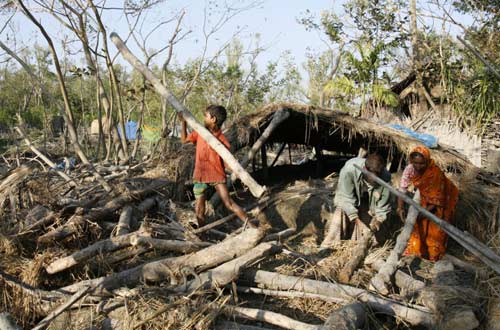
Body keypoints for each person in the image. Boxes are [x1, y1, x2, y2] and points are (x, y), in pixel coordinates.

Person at [179, 105, 249, 228]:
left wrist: (236, 170)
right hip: (200, 176)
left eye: (206, 116)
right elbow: (184, 140)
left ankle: (251, 226)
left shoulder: (221, 139)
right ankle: (202, 233)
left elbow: (227, 158)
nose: (204, 119)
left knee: (229, 203)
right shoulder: (200, 132)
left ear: (213, 119)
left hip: (216, 176)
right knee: (199, 209)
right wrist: (183, 123)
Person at [397, 146, 459, 261]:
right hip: (426, 198)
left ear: (427, 161)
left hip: (443, 198)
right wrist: (400, 208)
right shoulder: (410, 170)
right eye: (415, 163)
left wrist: (424, 212)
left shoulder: (435, 173)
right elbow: (402, 189)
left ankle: (433, 255)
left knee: (436, 226)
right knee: (419, 223)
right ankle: (417, 250)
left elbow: (438, 199)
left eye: (422, 163)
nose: (418, 166)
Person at [321, 153, 392, 247]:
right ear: (365, 169)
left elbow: (383, 206)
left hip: (368, 199)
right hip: (349, 196)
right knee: (341, 211)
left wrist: (378, 220)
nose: (375, 179)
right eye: (372, 176)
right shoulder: (349, 170)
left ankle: (360, 243)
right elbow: (345, 198)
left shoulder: (385, 177)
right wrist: (358, 222)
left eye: (378, 175)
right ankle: (330, 245)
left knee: (371, 227)